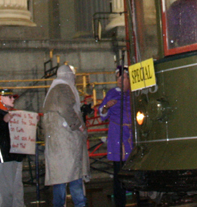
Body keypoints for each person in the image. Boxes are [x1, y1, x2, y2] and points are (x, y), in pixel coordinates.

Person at [42, 65, 90, 207]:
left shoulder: (51, 91)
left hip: (56, 145)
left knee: (59, 180)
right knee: (75, 177)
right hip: (67, 143)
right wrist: (78, 125)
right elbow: (65, 108)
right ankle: (80, 204)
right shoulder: (63, 88)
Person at [98, 66, 132, 207]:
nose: (119, 81)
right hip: (117, 135)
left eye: (122, 78)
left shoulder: (135, 94)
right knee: (118, 169)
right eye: (117, 78)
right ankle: (120, 201)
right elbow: (102, 114)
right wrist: (106, 107)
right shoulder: (112, 93)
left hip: (130, 135)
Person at [0, 88, 25, 207]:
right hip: (4, 157)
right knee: (7, 190)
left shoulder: (14, 115)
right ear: (1, 99)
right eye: (10, 97)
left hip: (15, 156)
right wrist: (3, 122)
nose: (13, 99)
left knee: (17, 188)